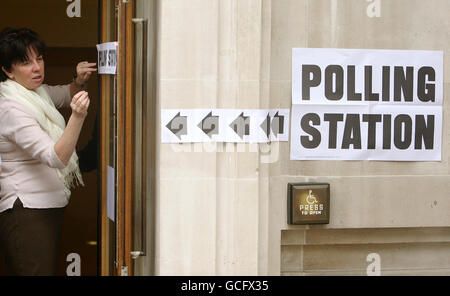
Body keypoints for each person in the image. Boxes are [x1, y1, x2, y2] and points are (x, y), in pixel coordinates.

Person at [0, 27, 97, 275]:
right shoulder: (11, 107)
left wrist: (79, 80)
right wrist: (77, 117)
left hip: (44, 207)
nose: (37, 68)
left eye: (39, 58)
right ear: (7, 70)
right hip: (26, 210)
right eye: (25, 62)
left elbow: (66, 94)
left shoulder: (35, 93)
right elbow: (55, 157)